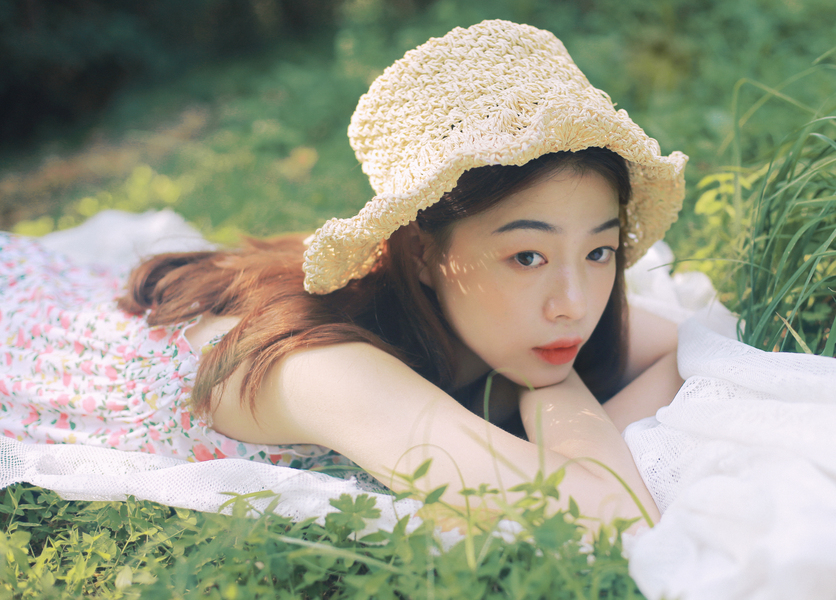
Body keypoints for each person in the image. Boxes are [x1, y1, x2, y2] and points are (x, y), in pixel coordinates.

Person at [0, 20, 688, 526]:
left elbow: (678, 350)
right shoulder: (327, 372)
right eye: (527, 257)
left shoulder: (486, 315)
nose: (574, 304)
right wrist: (557, 392)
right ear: (421, 254)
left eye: (598, 252)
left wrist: (549, 403)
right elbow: (610, 514)